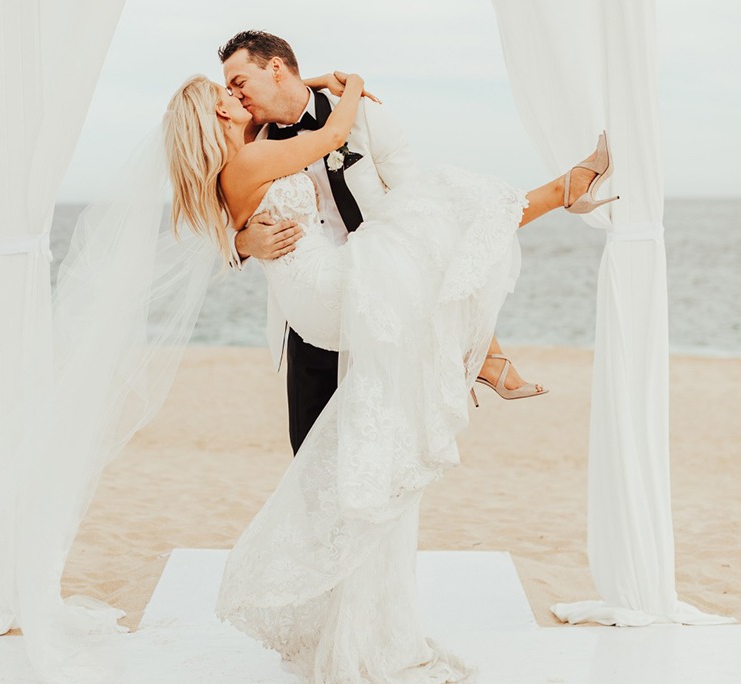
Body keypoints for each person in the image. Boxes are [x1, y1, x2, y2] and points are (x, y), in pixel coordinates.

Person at [164, 69, 616, 684]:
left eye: (238, 86)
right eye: (224, 98)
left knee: (429, 225)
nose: (235, 98)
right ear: (212, 121)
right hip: (325, 298)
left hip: (329, 288)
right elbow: (336, 132)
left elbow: (287, 150)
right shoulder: (258, 154)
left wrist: (317, 81)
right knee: (437, 212)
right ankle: (559, 206)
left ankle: (495, 326)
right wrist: (352, 87)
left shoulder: (245, 154)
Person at [219, 30, 546, 457]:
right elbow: (222, 225)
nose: (235, 96)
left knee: (381, 450)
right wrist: (244, 242)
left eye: (239, 82)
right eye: (228, 89)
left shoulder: (361, 118)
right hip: (307, 316)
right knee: (308, 449)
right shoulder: (250, 142)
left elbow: (420, 206)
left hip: (382, 301)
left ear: (275, 68)